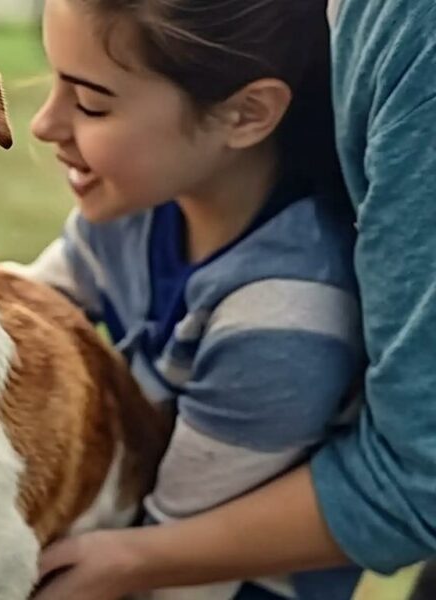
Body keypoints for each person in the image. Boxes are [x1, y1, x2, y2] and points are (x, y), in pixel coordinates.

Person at [26, 1, 436, 599]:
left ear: (246, 114)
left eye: (91, 103)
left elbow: (176, 568)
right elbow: (28, 312)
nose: (44, 124)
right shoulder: (137, 208)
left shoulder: (282, 315)